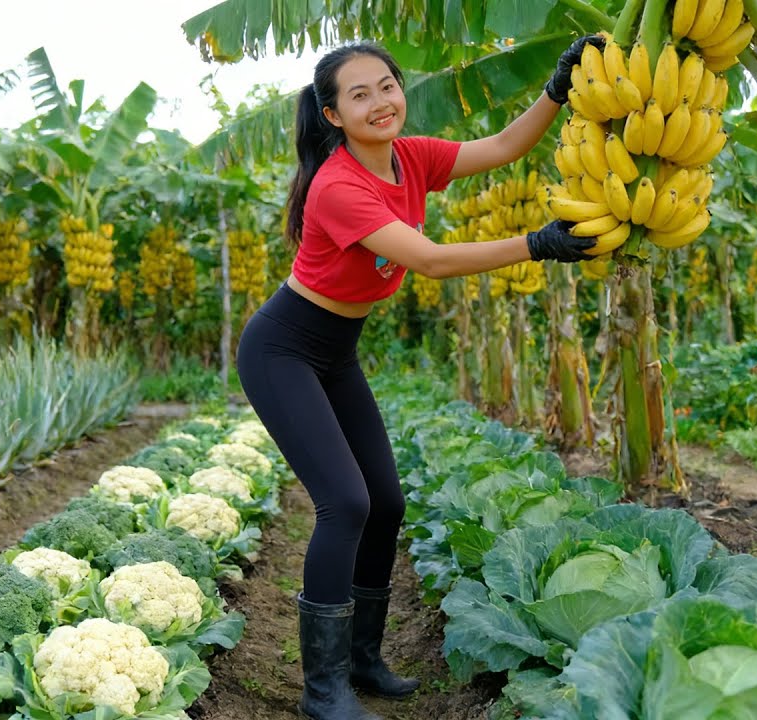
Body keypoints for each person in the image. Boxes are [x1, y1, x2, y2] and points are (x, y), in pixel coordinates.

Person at [235, 35, 604, 720]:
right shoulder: (337, 187)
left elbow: (502, 147)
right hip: (282, 350)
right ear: (333, 115)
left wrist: (556, 90)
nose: (380, 102)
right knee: (345, 503)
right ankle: (322, 689)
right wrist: (536, 244)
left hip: (337, 351)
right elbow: (429, 260)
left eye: (387, 86)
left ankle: (363, 659)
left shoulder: (410, 157)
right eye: (360, 95)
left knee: (386, 503)